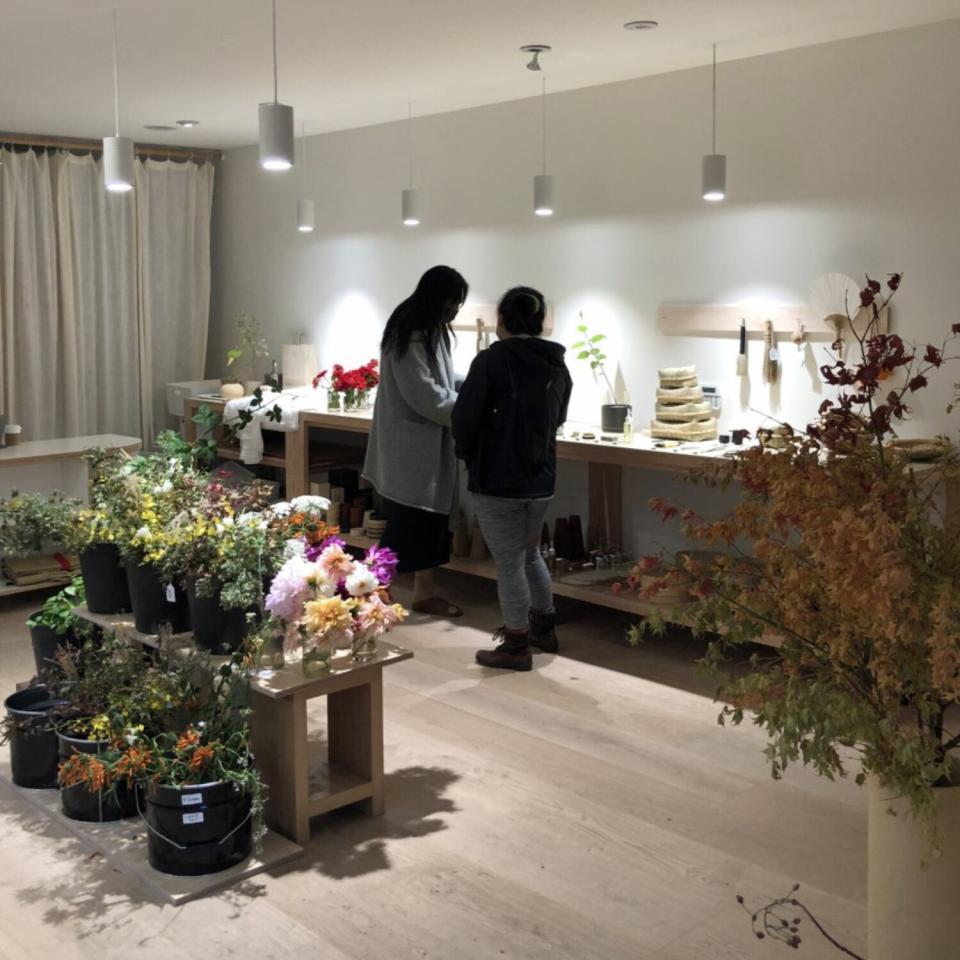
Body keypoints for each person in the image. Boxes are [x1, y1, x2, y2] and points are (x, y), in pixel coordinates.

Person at [452, 286, 573, 670]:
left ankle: (517, 644)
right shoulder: (557, 363)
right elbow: (560, 417)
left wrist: (466, 452)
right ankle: (544, 628)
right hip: (541, 477)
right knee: (529, 553)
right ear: (538, 322)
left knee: (508, 561)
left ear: (501, 320)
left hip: (497, 477)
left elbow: (464, 418)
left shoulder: (491, 361)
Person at [363, 265, 468, 617]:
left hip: (425, 445)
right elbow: (422, 392)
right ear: (438, 298)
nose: (455, 310)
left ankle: (424, 593)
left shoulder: (429, 327)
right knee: (406, 526)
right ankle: (368, 594)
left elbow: (439, 376)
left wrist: (474, 382)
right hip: (410, 447)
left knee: (431, 525)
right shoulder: (409, 331)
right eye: (453, 302)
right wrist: (467, 407)